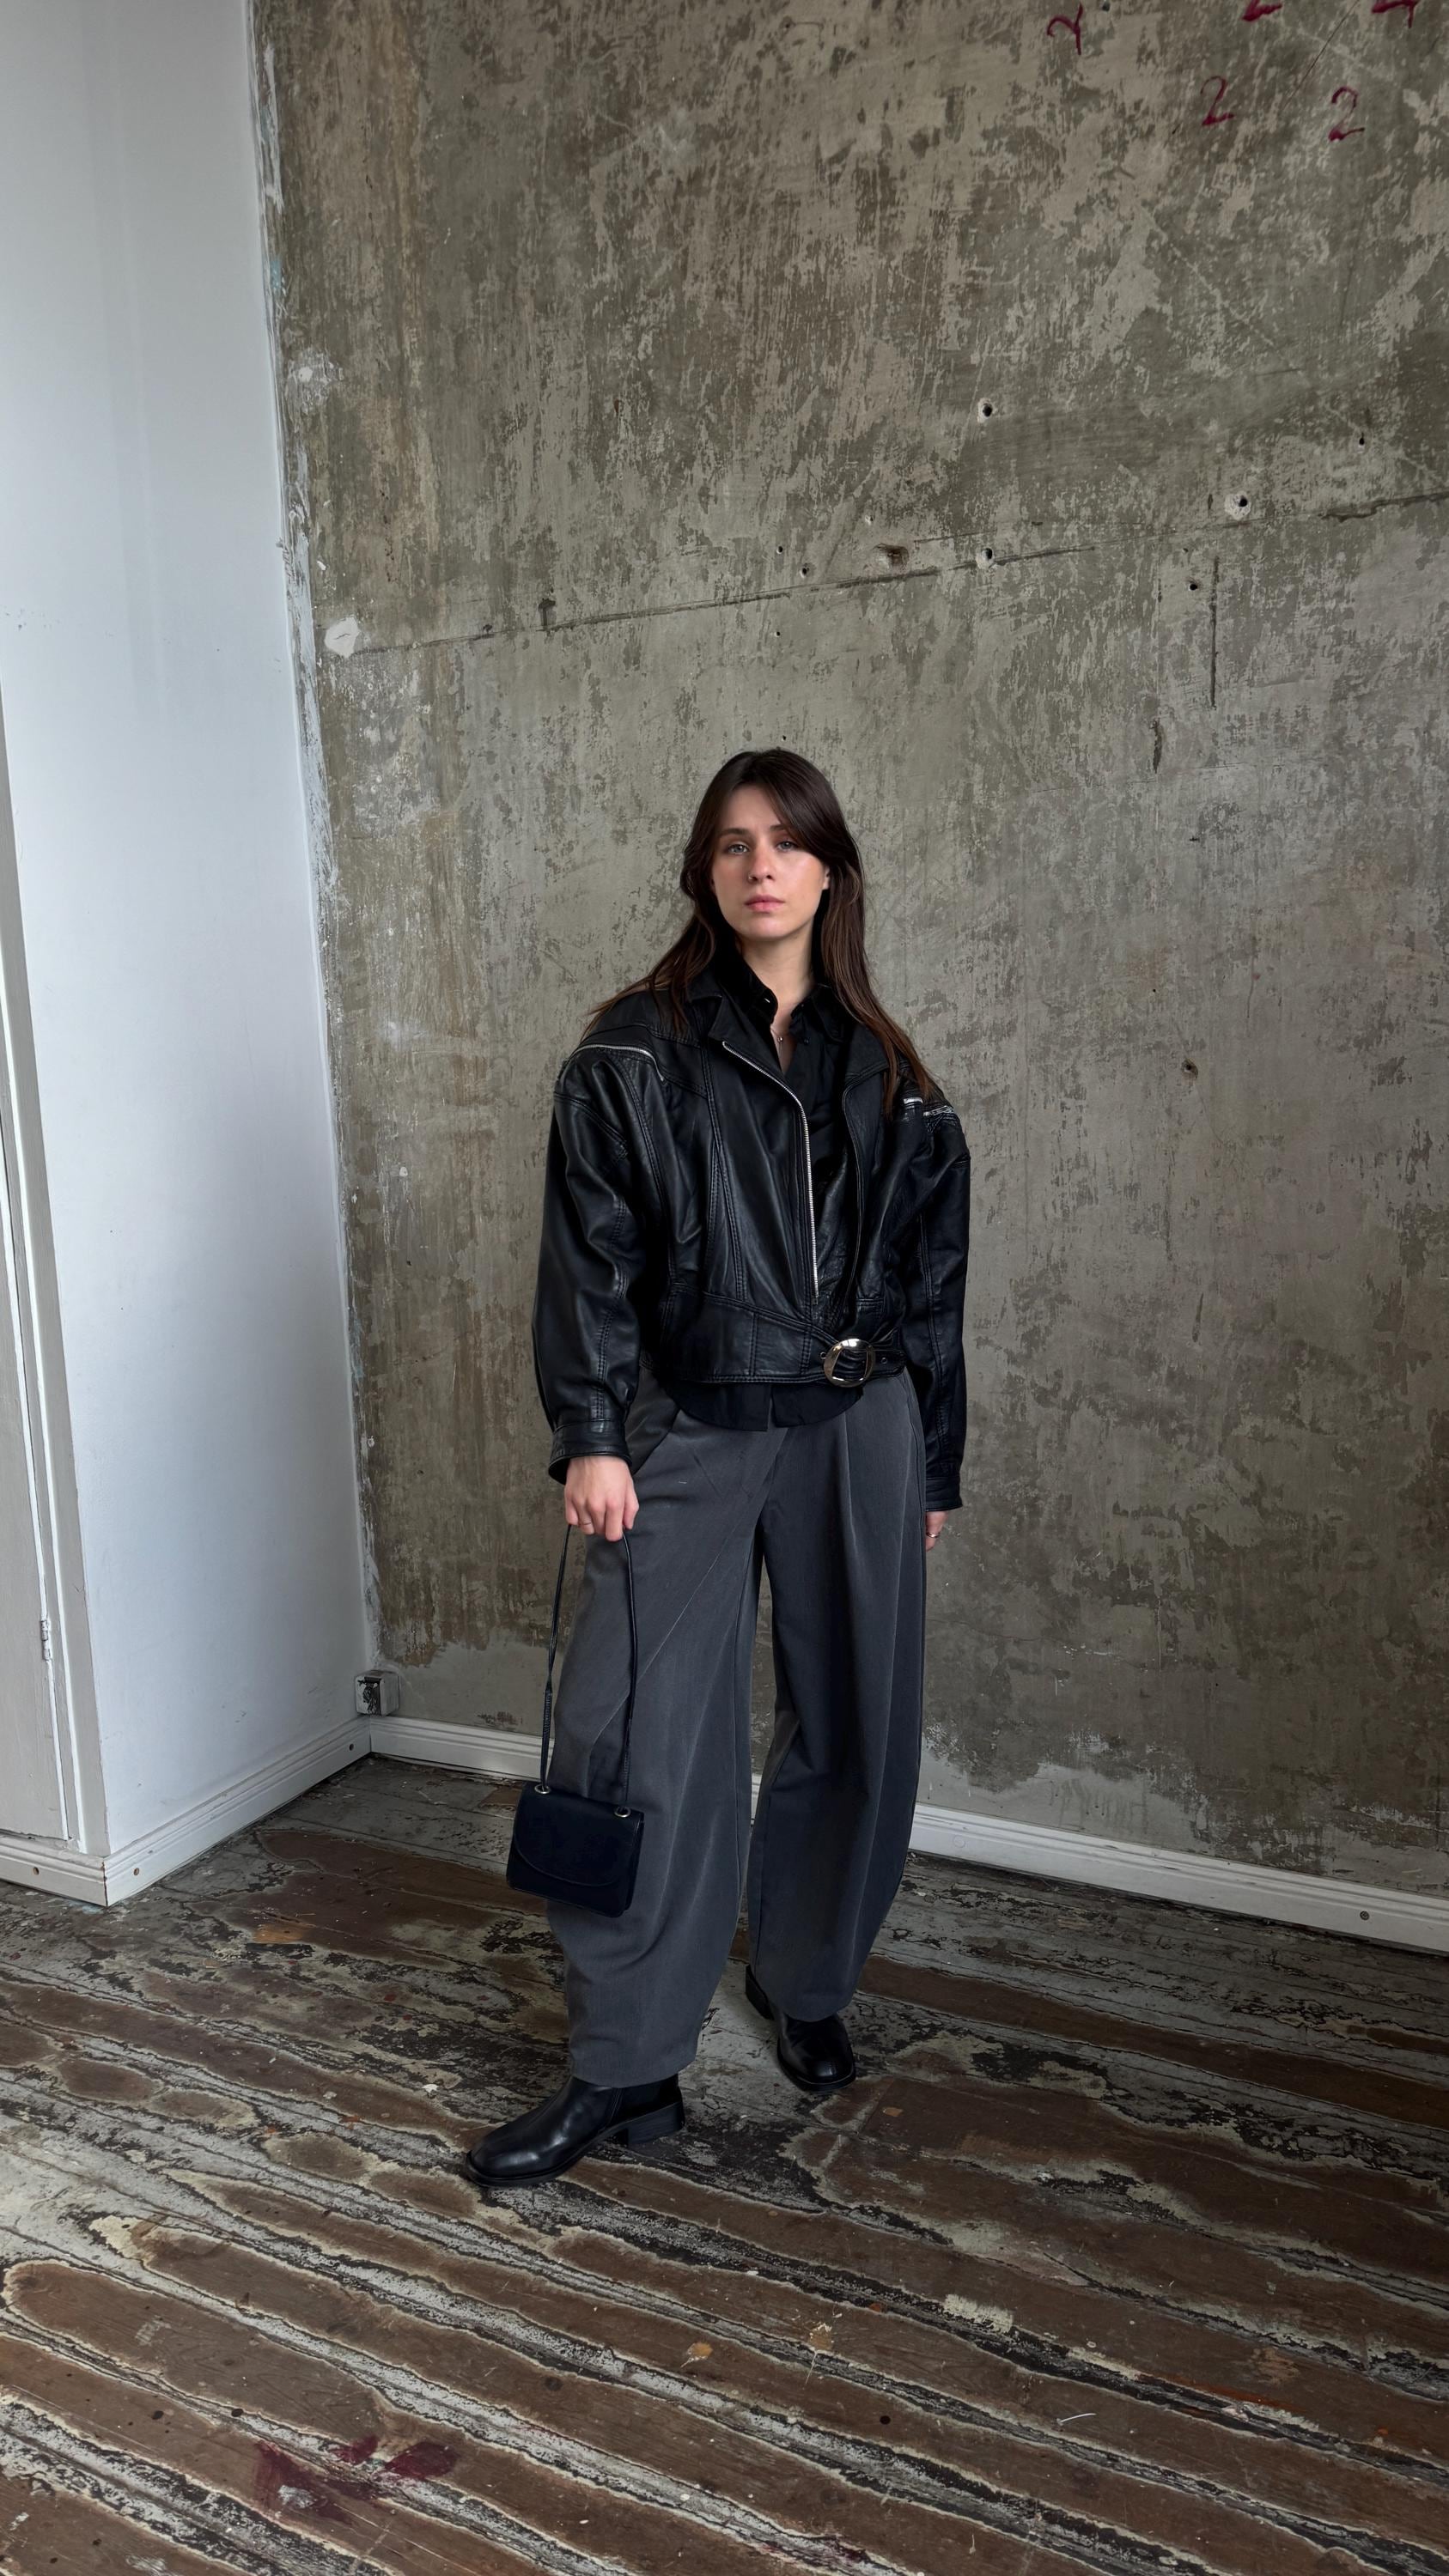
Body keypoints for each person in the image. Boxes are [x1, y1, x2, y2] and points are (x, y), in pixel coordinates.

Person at [465, 746, 970, 2188]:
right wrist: (594, 1431)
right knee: (628, 1738)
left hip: (859, 1425)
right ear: (705, 870)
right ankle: (626, 2064)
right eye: (733, 843)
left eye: (788, 843)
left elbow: (933, 1293)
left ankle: (805, 1985)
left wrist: (928, 1466)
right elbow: (591, 1264)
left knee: (859, 1716)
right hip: (685, 1424)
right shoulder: (631, 1051)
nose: (761, 866)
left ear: (829, 869)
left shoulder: (895, 1077)